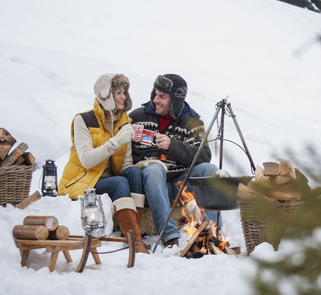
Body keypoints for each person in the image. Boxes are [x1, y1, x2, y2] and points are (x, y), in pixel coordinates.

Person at [58, 73, 149, 254]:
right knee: (120, 182)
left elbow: (126, 163)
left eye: (124, 92)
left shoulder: (124, 122)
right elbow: (87, 160)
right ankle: (134, 239)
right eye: (118, 92)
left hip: (109, 179)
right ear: (106, 95)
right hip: (85, 179)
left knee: (133, 173)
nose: (123, 97)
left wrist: (143, 165)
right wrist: (117, 141)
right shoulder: (83, 120)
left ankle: (132, 233)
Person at [129, 74, 218, 248]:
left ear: (176, 100)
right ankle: (169, 235)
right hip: (147, 187)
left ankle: (209, 231)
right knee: (154, 169)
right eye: (155, 94)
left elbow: (204, 156)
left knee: (210, 169)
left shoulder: (192, 121)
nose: (156, 100)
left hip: (177, 187)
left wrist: (173, 146)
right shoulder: (137, 117)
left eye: (162, 96)